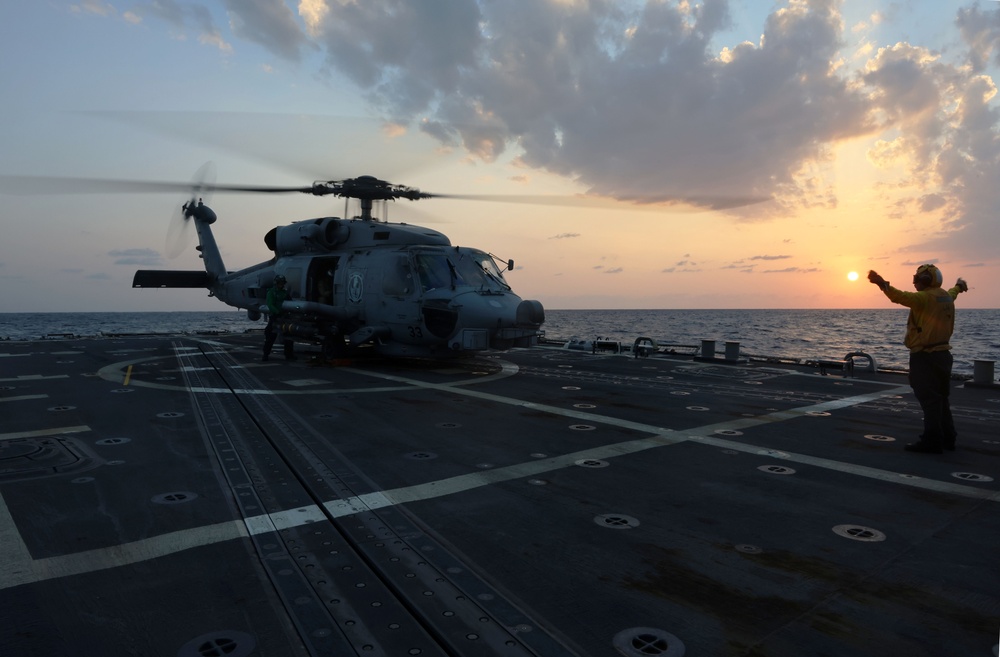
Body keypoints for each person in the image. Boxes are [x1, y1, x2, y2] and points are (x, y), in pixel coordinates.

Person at [867, 264, 969, 453]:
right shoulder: (945, 295)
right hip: (944, 356)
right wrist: (959, 286)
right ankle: (948, 437)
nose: (915, 281)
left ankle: (932, 441)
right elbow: (954, 292)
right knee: (941, 399)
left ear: (926, 280)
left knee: (930, 400)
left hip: (925, 356)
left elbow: (900, 297)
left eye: (918, 278)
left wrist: (882, 284)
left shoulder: (924, 298)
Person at [263, 274, 295, 361]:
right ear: (276, 283)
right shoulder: (271, 292)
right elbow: (270, 304)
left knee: (289, 336)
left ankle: (289, 355)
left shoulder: (285, 293)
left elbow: (290, 302)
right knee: (270, 336)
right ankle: (265, 354)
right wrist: (277, 312)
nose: (281, 284)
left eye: (282, 283)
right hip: (275, 317)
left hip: (285, 317)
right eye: (280, 283)